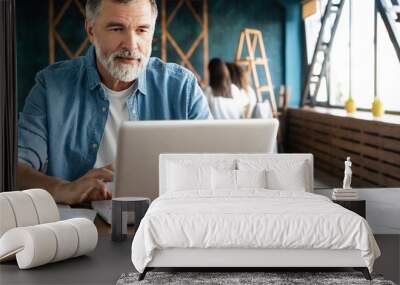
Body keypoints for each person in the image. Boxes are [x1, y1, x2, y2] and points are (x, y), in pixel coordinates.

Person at [17, 0, 211, 205]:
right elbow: (16, 169)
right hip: (80, 226)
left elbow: (215, 167)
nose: (131, 44)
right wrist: (64, 189)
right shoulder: (51, 86)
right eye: (117, 29)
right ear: (91, 30)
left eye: (142, 30)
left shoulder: (183, 88)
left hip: (165, 221)